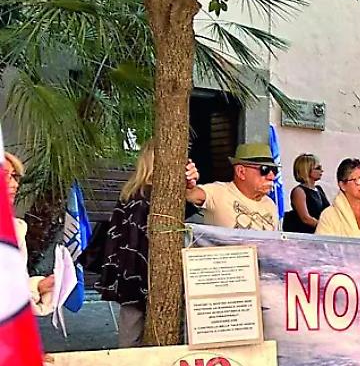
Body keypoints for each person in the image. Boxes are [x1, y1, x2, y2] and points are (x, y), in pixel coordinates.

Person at [91, 143, 201, 346]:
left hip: (130, 280)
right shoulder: (146, 197)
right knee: (135, 341)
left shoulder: (130, 194)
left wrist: (189, 189)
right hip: (140, 277)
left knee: (130, 340)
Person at [187, 142, 280, 230]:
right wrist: (188, 182)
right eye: (265, 169)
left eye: (274, 170)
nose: (272, 176)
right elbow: (189, 194)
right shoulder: (219, 192)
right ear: (241, 172)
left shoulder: (270, 204)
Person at [4, 152, 53, 316]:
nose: (14, 184)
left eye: (14, 177)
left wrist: (40, 286)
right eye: (5, 176)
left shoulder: (16, 228)